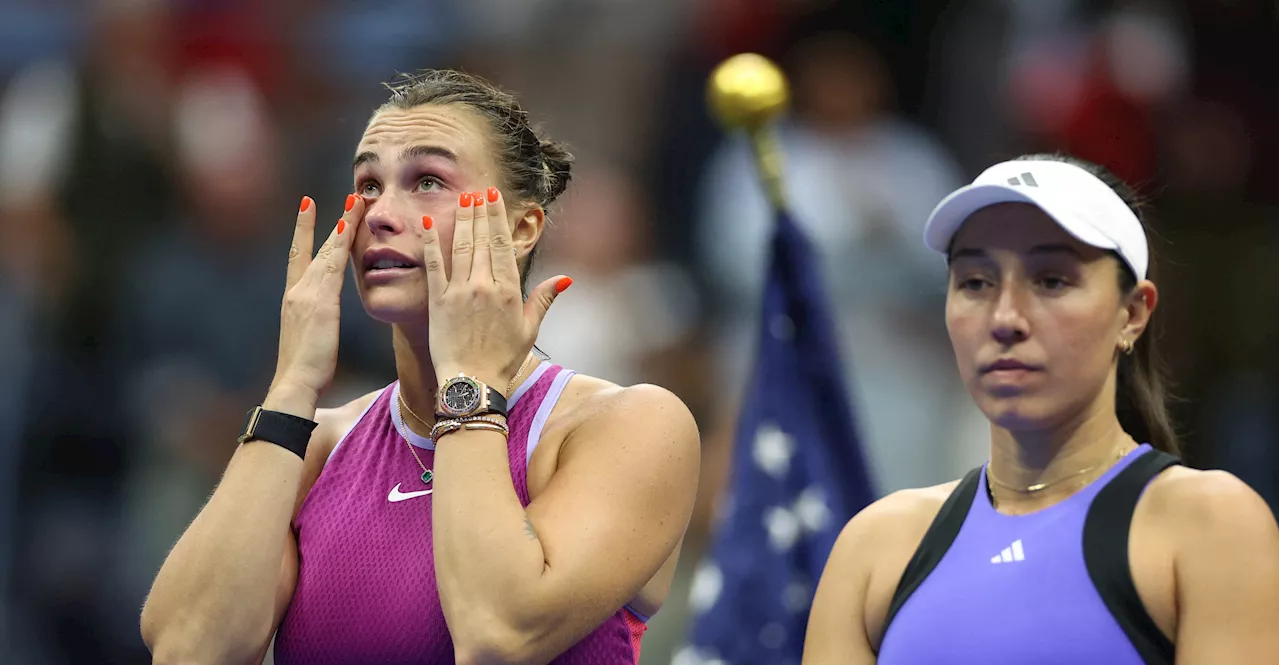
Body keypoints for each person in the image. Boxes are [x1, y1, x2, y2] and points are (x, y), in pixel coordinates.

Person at [139, 69, 701, 665]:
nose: (380, 213)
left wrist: (468, 380)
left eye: (427, 180)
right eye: (368, 185)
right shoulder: (317, 445)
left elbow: (498, 632)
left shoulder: (632, 427)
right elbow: (188, 650)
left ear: (521, 228)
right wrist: (291, 388)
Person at [802, 154, 1280, 664]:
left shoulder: (1210, 523)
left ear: (1133, 313)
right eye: (975, 283)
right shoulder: (875, 546)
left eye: (1051, 280)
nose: (1006, 318)